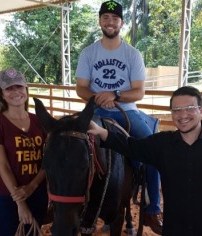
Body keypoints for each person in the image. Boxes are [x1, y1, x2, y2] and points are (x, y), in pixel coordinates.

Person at [88, 85, 202, 236]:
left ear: (201, 110)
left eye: (189, 108)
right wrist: (101, 132)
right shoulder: (162, 143)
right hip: (175, 230)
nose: (182, 115)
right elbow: (131, 146)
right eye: (176, 110)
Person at [75, 0, 163, 234]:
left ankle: (153, 209)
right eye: (105, 18)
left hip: (127, 111)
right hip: (95, 109)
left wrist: (114, 95)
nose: (110, 22)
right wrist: (97, 98)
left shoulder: (132, 54)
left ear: (121, 23)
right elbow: (81, 88)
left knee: (153, 151)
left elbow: (139, 92)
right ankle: (64, 206)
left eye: (114, 19)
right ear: (100, 21)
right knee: (67, 144)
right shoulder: (88, 53)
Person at [0, 69, 48, 235]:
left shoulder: (40, 121)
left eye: (19, 87)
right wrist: (21, 204)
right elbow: (3, 166)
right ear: (2, 94)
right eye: (9, 88)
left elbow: (48, 161)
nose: (15, 92)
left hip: (37, 194)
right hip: (8, 196)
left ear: (26, 89)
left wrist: (32, 187)